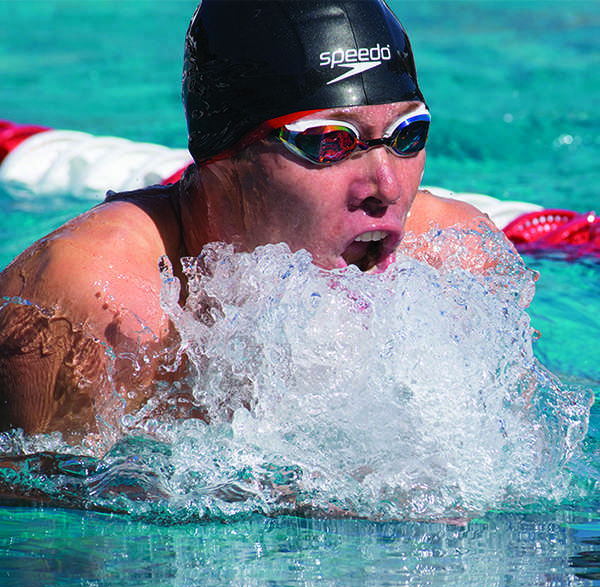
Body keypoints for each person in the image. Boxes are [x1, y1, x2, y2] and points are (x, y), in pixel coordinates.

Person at [0, 0, 493, 438]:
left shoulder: (456, 262)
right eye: (330, 142)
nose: (386, 187)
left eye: (408, 134)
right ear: (225, 157)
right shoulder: (95, 310)